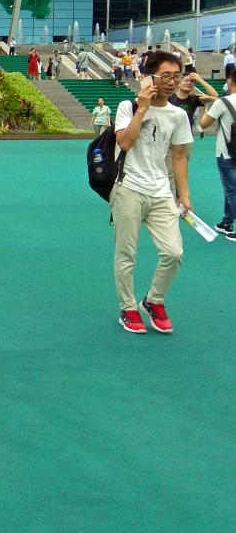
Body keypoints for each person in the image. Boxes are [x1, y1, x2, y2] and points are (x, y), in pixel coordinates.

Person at [111, 51, 194, 335]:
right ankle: (127, 307)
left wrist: (184, 196)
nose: (172, 82)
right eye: (165, 76)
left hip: (161, 192)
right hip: (128, 188)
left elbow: (179, 155)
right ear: (149, 77)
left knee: (174, 252)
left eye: (176, 76)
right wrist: (143, 108)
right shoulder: (127, 106)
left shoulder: (178, 115)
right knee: (126, 253)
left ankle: (153, 300)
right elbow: (124, 143)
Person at [198, 65, 236, 241]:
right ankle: (226, 222)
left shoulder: (222, 102)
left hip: (227, 152)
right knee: (231, 188)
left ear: (230, 80)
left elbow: (204, 124)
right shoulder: (223, 101)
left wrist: (207, 109)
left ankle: (229, 222)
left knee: (231, 190)